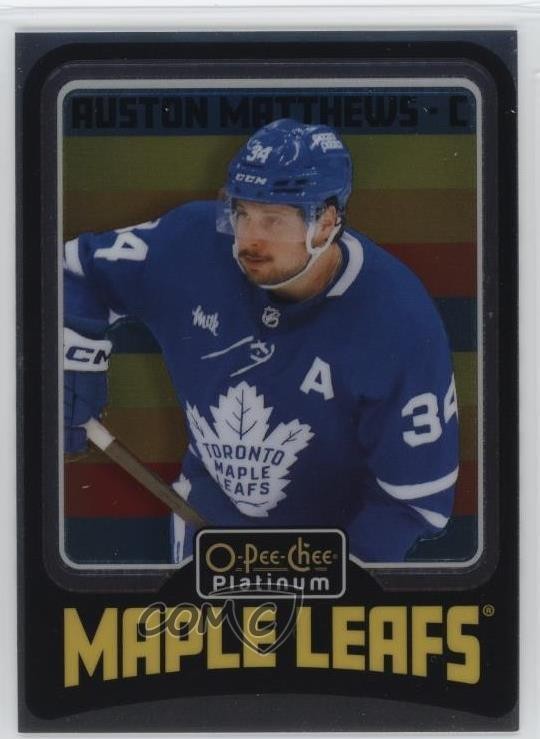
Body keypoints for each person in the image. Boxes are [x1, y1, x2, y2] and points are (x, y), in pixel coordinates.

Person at [64, 118, 459, 564]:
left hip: (335, 543)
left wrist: (342, 579)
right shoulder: (190, 244)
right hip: (208, 526)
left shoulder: (399, 321)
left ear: (326, 223)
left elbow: (413, 502)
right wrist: (74, 358)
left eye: (273, 220)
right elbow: (73, 271)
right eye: (242, 213)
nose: (250, 239)